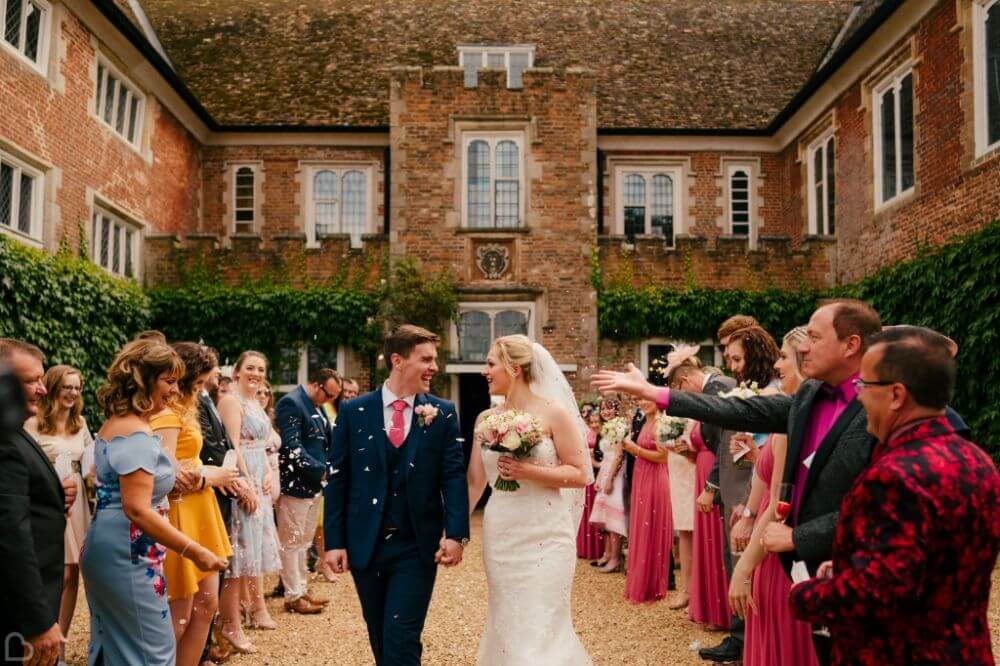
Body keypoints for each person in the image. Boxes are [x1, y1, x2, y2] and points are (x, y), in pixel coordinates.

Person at [592, 299, 882, 665]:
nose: (803, 346)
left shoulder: (883, 403)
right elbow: (741, 410)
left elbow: (877, 507)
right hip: (799, 569)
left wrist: (795, 536)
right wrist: (657, 394)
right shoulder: (809, 395)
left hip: (855, 573)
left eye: (814, 336)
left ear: (851, 345)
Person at [789, 327, 999, 665]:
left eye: (865, 386)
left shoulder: (894, 475)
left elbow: (880, 592)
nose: (858, 397)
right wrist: (848, 564)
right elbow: (932, 562)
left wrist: (807, 595)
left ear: (897, 395)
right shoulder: (978, 462)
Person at [325, 325, 470, 666]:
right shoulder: (354, 411)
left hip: (415, 544)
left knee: (401, 636)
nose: (435, 367)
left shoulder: (443, 412)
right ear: (397, 360)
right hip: (366, 543)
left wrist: (457, 533)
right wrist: (334, 541)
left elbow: (452, 475)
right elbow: (338, 478)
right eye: (427, 359)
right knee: (379, 636)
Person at [81, 339, 227, 665]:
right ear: (142, 380)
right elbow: (136, 508)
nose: (175, 390)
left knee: (119, 649)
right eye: (169, 381)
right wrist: (195, 550)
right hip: (127, 554)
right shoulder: (134, 432)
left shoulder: (124, 424)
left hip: (117, 547)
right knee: (152, 651)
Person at [466, 334, 592, 664]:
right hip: (503, 533)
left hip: (548, 533)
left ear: (516, 368)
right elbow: (474, 483)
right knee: (508, 620)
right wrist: (452, 532)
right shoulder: (485, 420)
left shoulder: (554, 414)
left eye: (491, 363)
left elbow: (581, 474)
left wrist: (528, 471)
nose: (485, 371)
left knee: (544, 623)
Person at [728, 327, 818, 666]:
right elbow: (769, 479)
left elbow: (781, 504)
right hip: (768, 535)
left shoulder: (790, 422)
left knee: (781, 642)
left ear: (802, 361)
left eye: (783, 356)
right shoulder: (791, 418)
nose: (777, 366)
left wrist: (743, 569)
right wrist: (755, 456)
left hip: (775, 545)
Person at [150, 343, 238, 666]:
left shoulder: (188, 406)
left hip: (201, 508)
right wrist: (212, 475)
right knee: (180, 612)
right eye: (199, 383)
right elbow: (166, 475)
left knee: (207, 603)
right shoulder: (166, 413)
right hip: (178, 511)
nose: (202, 391)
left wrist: (214, 475)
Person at [659, 349, 740, 661]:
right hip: (709, 471)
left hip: (720, 474)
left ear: (685, 381)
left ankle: (733, 626)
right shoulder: (715, 388)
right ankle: (724, 618)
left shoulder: (718, 388)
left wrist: (712, 485)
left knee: (726, 549)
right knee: (720, 548)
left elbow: (723, 441)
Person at [0, 340, 75, 666]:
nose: (43, 389)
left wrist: (51, 495)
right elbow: (9, 534)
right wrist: (39, 621)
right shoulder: (5, 443)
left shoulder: (14, 432)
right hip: (15, 616)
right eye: (31, 380)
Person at [23, 365, 94, 661]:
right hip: (47, 497)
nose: (73, 393)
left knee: (74, 569)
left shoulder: (81, 423)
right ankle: (43, 636)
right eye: (67, 386)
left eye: (77, 388)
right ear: (53, 387)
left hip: (76, 498)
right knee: (59, 571)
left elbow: (91, 458)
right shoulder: (33, 422)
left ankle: (61, 643)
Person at [217, 351, 282, 650]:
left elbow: (263, 444)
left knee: (254, 546)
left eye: (260, 369)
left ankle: (254, 608)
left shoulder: (256, 402)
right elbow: (234, 446)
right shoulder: (232, 400)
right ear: (238, 372)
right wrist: (247, 483)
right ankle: (231, 621)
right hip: (244, 478)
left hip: (260, 473)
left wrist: (268, 473)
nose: (256, 373)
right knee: (240, 550)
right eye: (251, 368)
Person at [276, 365, 339, 615]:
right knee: (291, 541)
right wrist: (319, 470)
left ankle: (302, 589)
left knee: (303, 541)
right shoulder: (290, 403)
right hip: (296, 485)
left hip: (314, 485)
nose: (330, 400)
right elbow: (291, 448)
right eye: (328, 394)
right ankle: (293, 595)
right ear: (315, 383)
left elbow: (325, 440)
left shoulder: (315, 404)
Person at [196, 356, 243, 666]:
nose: (218, 374)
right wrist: (223, 476)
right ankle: (201, 646)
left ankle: (207, 637)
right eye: (213, 369)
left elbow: (223, 441)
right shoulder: (194, 402)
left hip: (220, 484)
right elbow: (211, 448)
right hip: (207, 487)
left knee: (219, 564)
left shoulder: (206, 397)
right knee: (206, 570)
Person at [622, 397, 673, 604]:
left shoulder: (663, 423)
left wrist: (636, 450)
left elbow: (664, 457)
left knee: (651, 526)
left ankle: (652, 585)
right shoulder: (645, 421)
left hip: (655, 476)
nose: (642, 403)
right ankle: (641, 581)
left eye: (647, 399)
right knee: (641, 526)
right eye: (640, 400)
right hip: (642, 474)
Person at [587, 396, 627, 572]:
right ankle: (608, 554)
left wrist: (610, 479)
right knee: (606, 517)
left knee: (613, 518)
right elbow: (606, 458)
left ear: (617, 408)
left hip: (616, 475)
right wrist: (600, 479)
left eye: (609, 408)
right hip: (606, 472)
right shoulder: (607, 427)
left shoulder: (619, 426)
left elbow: (618, 456)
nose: (605, 411)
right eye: (603, 408)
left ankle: (615, 559)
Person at [575, 408, 605, 560]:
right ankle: (585, 548)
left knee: (597, 508)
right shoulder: (585, 434)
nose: (593, 425)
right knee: (586, 508)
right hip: (589, 472)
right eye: (591, 422)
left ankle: (599, 549)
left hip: (600, 472)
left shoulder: (604, 435)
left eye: (596, 422)